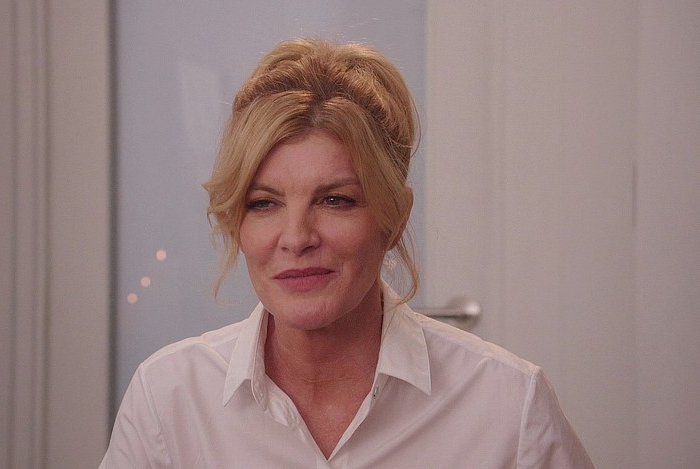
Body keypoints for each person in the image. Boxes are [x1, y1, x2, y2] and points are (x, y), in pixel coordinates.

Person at [100, 38, 593, 468]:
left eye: (335, 200)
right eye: (264, 203)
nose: (296, 238)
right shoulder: (168, 400)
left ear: (394, 218)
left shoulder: (509, 408)